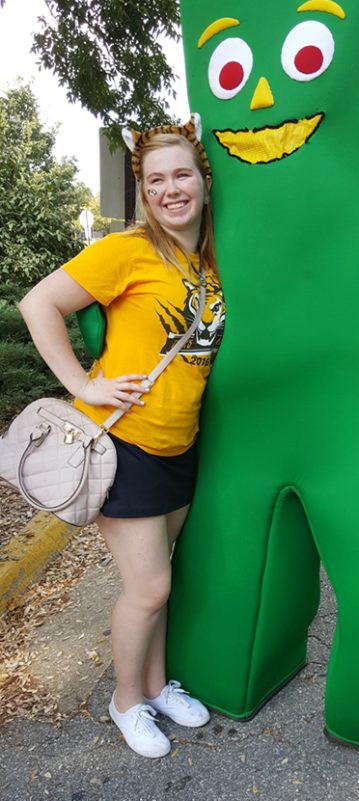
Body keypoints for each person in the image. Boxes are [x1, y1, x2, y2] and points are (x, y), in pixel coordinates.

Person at [19, 120, 226, 759]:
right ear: (142, 190)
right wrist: (83, 381)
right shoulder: (128, 251)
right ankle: (125, 700)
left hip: (180, 445)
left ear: (204, 181)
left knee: (163, 578)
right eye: (155, 179)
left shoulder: (212, 261)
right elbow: (37, 304)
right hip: (122, 445)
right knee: (149, 588)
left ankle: (157, 686)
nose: (170, 190)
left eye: (181, 175)